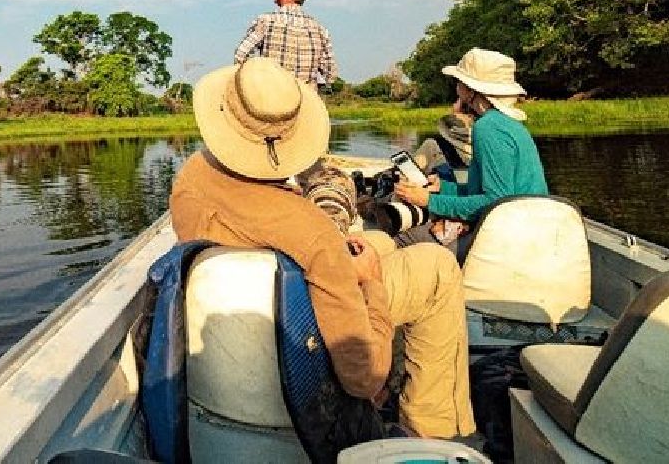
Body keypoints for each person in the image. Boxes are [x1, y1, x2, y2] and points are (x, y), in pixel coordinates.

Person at [170, 56, 476, 440]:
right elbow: (363, 377)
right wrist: (372, 286)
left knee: (378, 240)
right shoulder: (312, 233)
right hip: (301, 341)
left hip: (255, 321)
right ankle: (432, 431)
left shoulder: (191, 178)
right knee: (436, 267)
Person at [393, 48, 548, 236]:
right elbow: (491, 192)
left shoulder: (488, 128)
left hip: (511, 235)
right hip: (527, 224)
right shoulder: (508, 123)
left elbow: (495, 202)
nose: (457, 86)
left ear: (471, 90)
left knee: (402, 236)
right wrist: (443, 188)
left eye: (459, 81)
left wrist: (428, 200)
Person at [234, 0, 338, 90]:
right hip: (306, 102)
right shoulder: (320, 30)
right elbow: (331, 74)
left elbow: (241, 55)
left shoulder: (266, 21)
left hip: (271, 97)